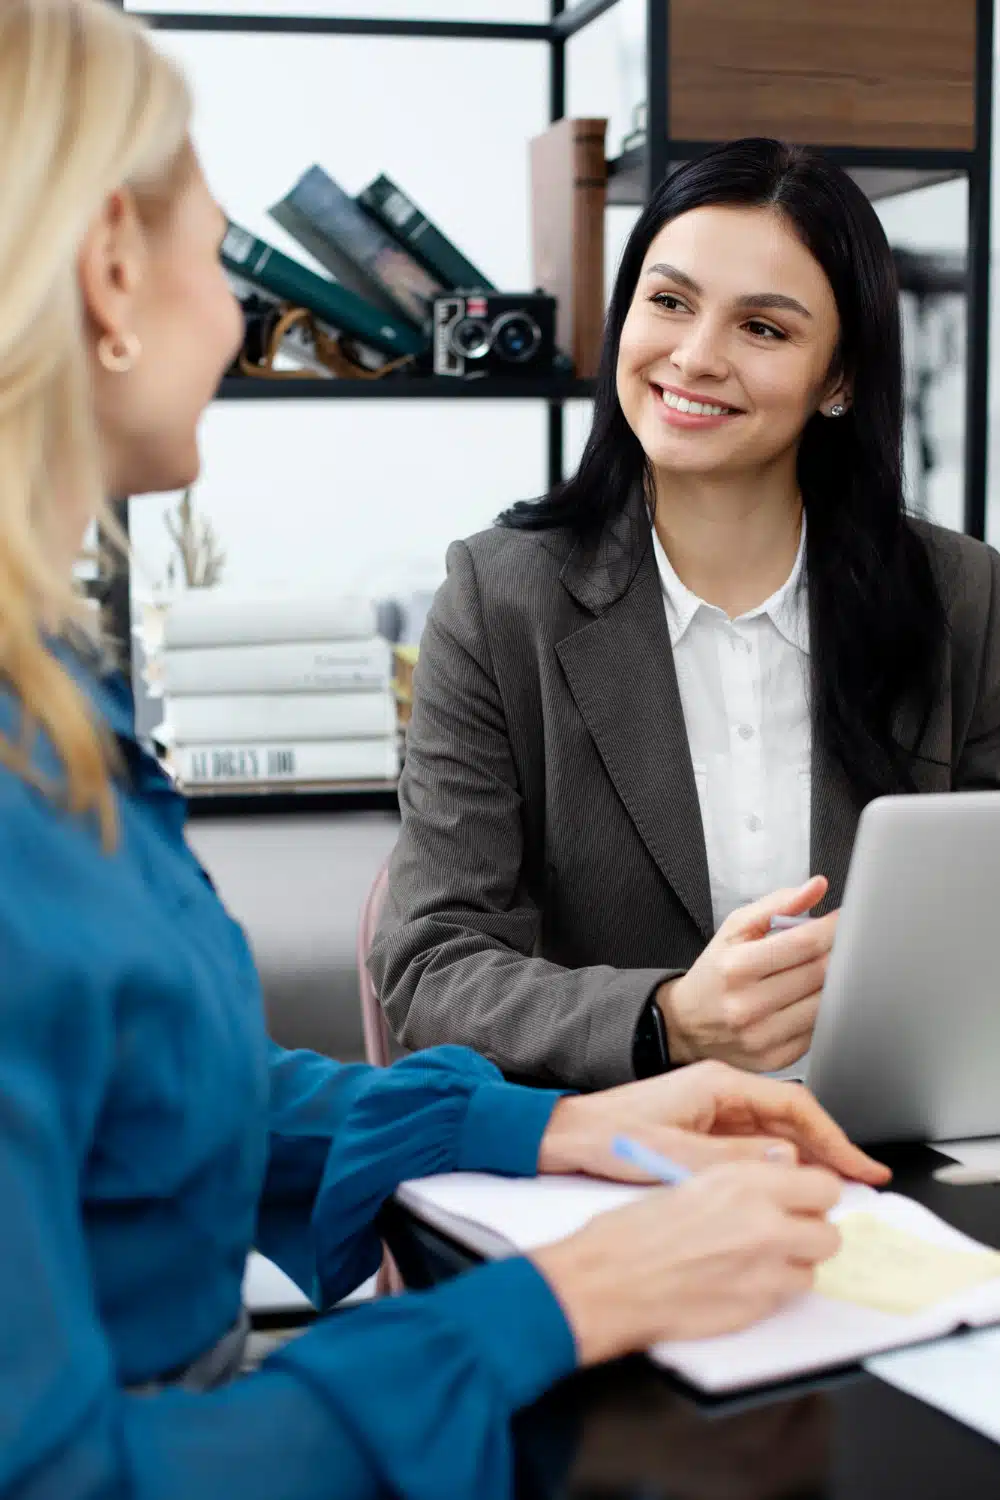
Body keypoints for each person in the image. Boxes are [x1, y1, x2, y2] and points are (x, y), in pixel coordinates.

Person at [0, 6, 892, 1499]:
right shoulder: (503, 594)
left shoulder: (53, 711)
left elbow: (184, 1094)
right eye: (218, 245)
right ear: (106, 270)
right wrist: (561, 1300)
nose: (242, 305)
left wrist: (558, 1124)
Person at [371, 137, 1000, 1091]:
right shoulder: (500, 601)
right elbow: (431, 965)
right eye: (668, 302)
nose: (695, 358)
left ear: (839, 380)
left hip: (889, 1144)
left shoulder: (965, 597)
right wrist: (668, 1019)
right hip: (622, 1152)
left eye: (765, 328)